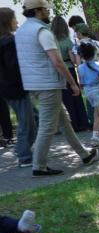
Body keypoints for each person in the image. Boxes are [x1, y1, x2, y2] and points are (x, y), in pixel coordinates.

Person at [15, 0, 98, 177]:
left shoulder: (21, 31)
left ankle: (84, 155)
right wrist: (73, 83)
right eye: (46, 9)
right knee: (47, 126)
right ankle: (39, 165)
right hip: (48, 84)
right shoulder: (42, 31)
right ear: (38, 11)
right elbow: (57, 61)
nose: (48, 12)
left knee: (64, 121)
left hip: (33, 84)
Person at [0, 7, 36, 168]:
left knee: (32, 119)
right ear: (7, 21)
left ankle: (24, 150)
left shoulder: (4, 40)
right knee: (26, 123)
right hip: (16, 89)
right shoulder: (9, 42)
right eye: (14, 18)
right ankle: (24, 155)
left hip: (8, 88)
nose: (16, 21)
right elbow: (14, 66)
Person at [50, 15, 89, 131]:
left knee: (66, 98)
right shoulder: (67, 41)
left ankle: (73, 125)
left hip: (58, 70)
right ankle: (83, 122)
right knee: (76, 96)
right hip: (70, 69)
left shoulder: (52, 41)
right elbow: (73, 59)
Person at [72, 23, 99, 130]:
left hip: (86, 77)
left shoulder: (77, 46)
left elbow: (78, 63)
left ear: (79, 33)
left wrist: (80, 80)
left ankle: (93, 122)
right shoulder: (96, 43)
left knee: (91, 101)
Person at [77, 42, 99, 147]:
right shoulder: (97, 65)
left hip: (87, 91)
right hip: (97, 90)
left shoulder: (80, 67)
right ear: (93, 54)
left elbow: (81, 81)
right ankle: (95, 137)